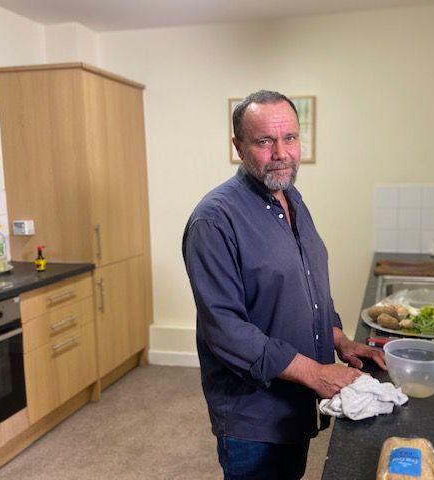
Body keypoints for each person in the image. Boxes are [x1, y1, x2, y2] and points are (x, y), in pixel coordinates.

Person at [182, 90, 386, 480]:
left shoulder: (290, 197)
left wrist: (339, 340)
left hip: (295, 402)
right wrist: (315, 372)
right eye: (264, 141)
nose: (281, 152)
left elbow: (305, 287)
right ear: (238, 147)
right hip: (253, 415)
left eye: (289, 138)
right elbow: (225, 330)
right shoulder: (214, 221)